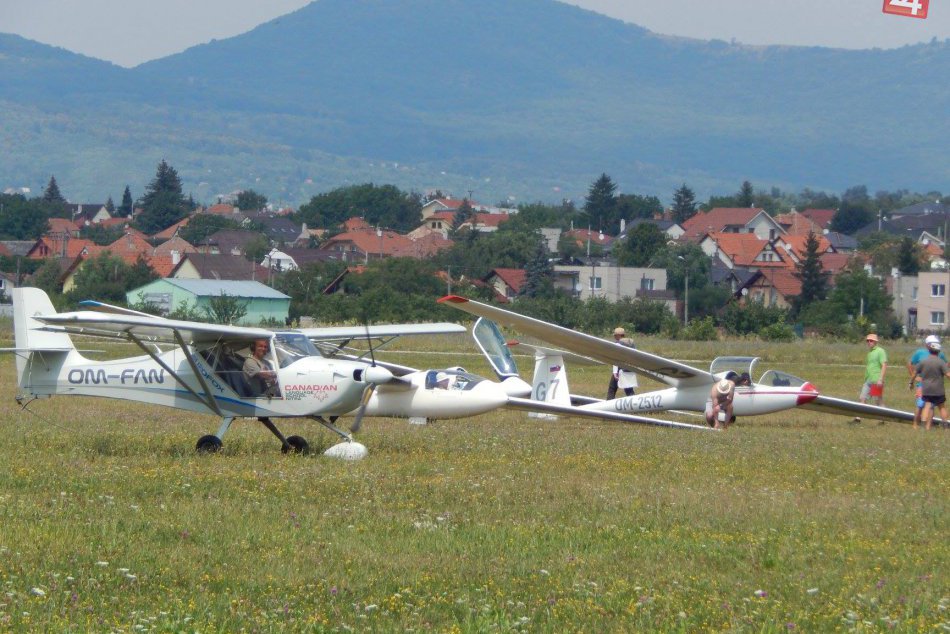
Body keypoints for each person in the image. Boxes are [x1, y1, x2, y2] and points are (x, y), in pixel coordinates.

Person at [907, 334, 946, 427]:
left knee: (931, 406)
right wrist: (914, 377)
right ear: (927, 344)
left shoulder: (940, 355)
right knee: (921, 405)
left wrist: (941, 373)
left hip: (932, 384)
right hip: (923, 383)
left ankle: (927, 426)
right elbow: (910, 364)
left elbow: (946, 364)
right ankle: (916, 425)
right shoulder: (920, 353)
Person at [856, 334, 887, 421]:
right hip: (868, 380)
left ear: (876, 342)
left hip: (876, 380)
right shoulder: (869, 353)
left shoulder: (880, 351)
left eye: (871, 340)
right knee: (862, 398)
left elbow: (884, 365)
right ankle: (858, 418)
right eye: (868, 341)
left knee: (878, 401)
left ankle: (884, 418)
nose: (869, 342)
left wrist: (880, 379)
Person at [606, 327, 638, 399]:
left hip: (620, 369)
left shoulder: (618, 344)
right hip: (630, 369)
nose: (614, 337)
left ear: (619, 335)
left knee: (612, 389)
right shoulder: (631, 343)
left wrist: (615, 372)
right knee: (629, 390)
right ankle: (634, 404)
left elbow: (616, 358)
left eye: (615, 335)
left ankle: (609, 404)